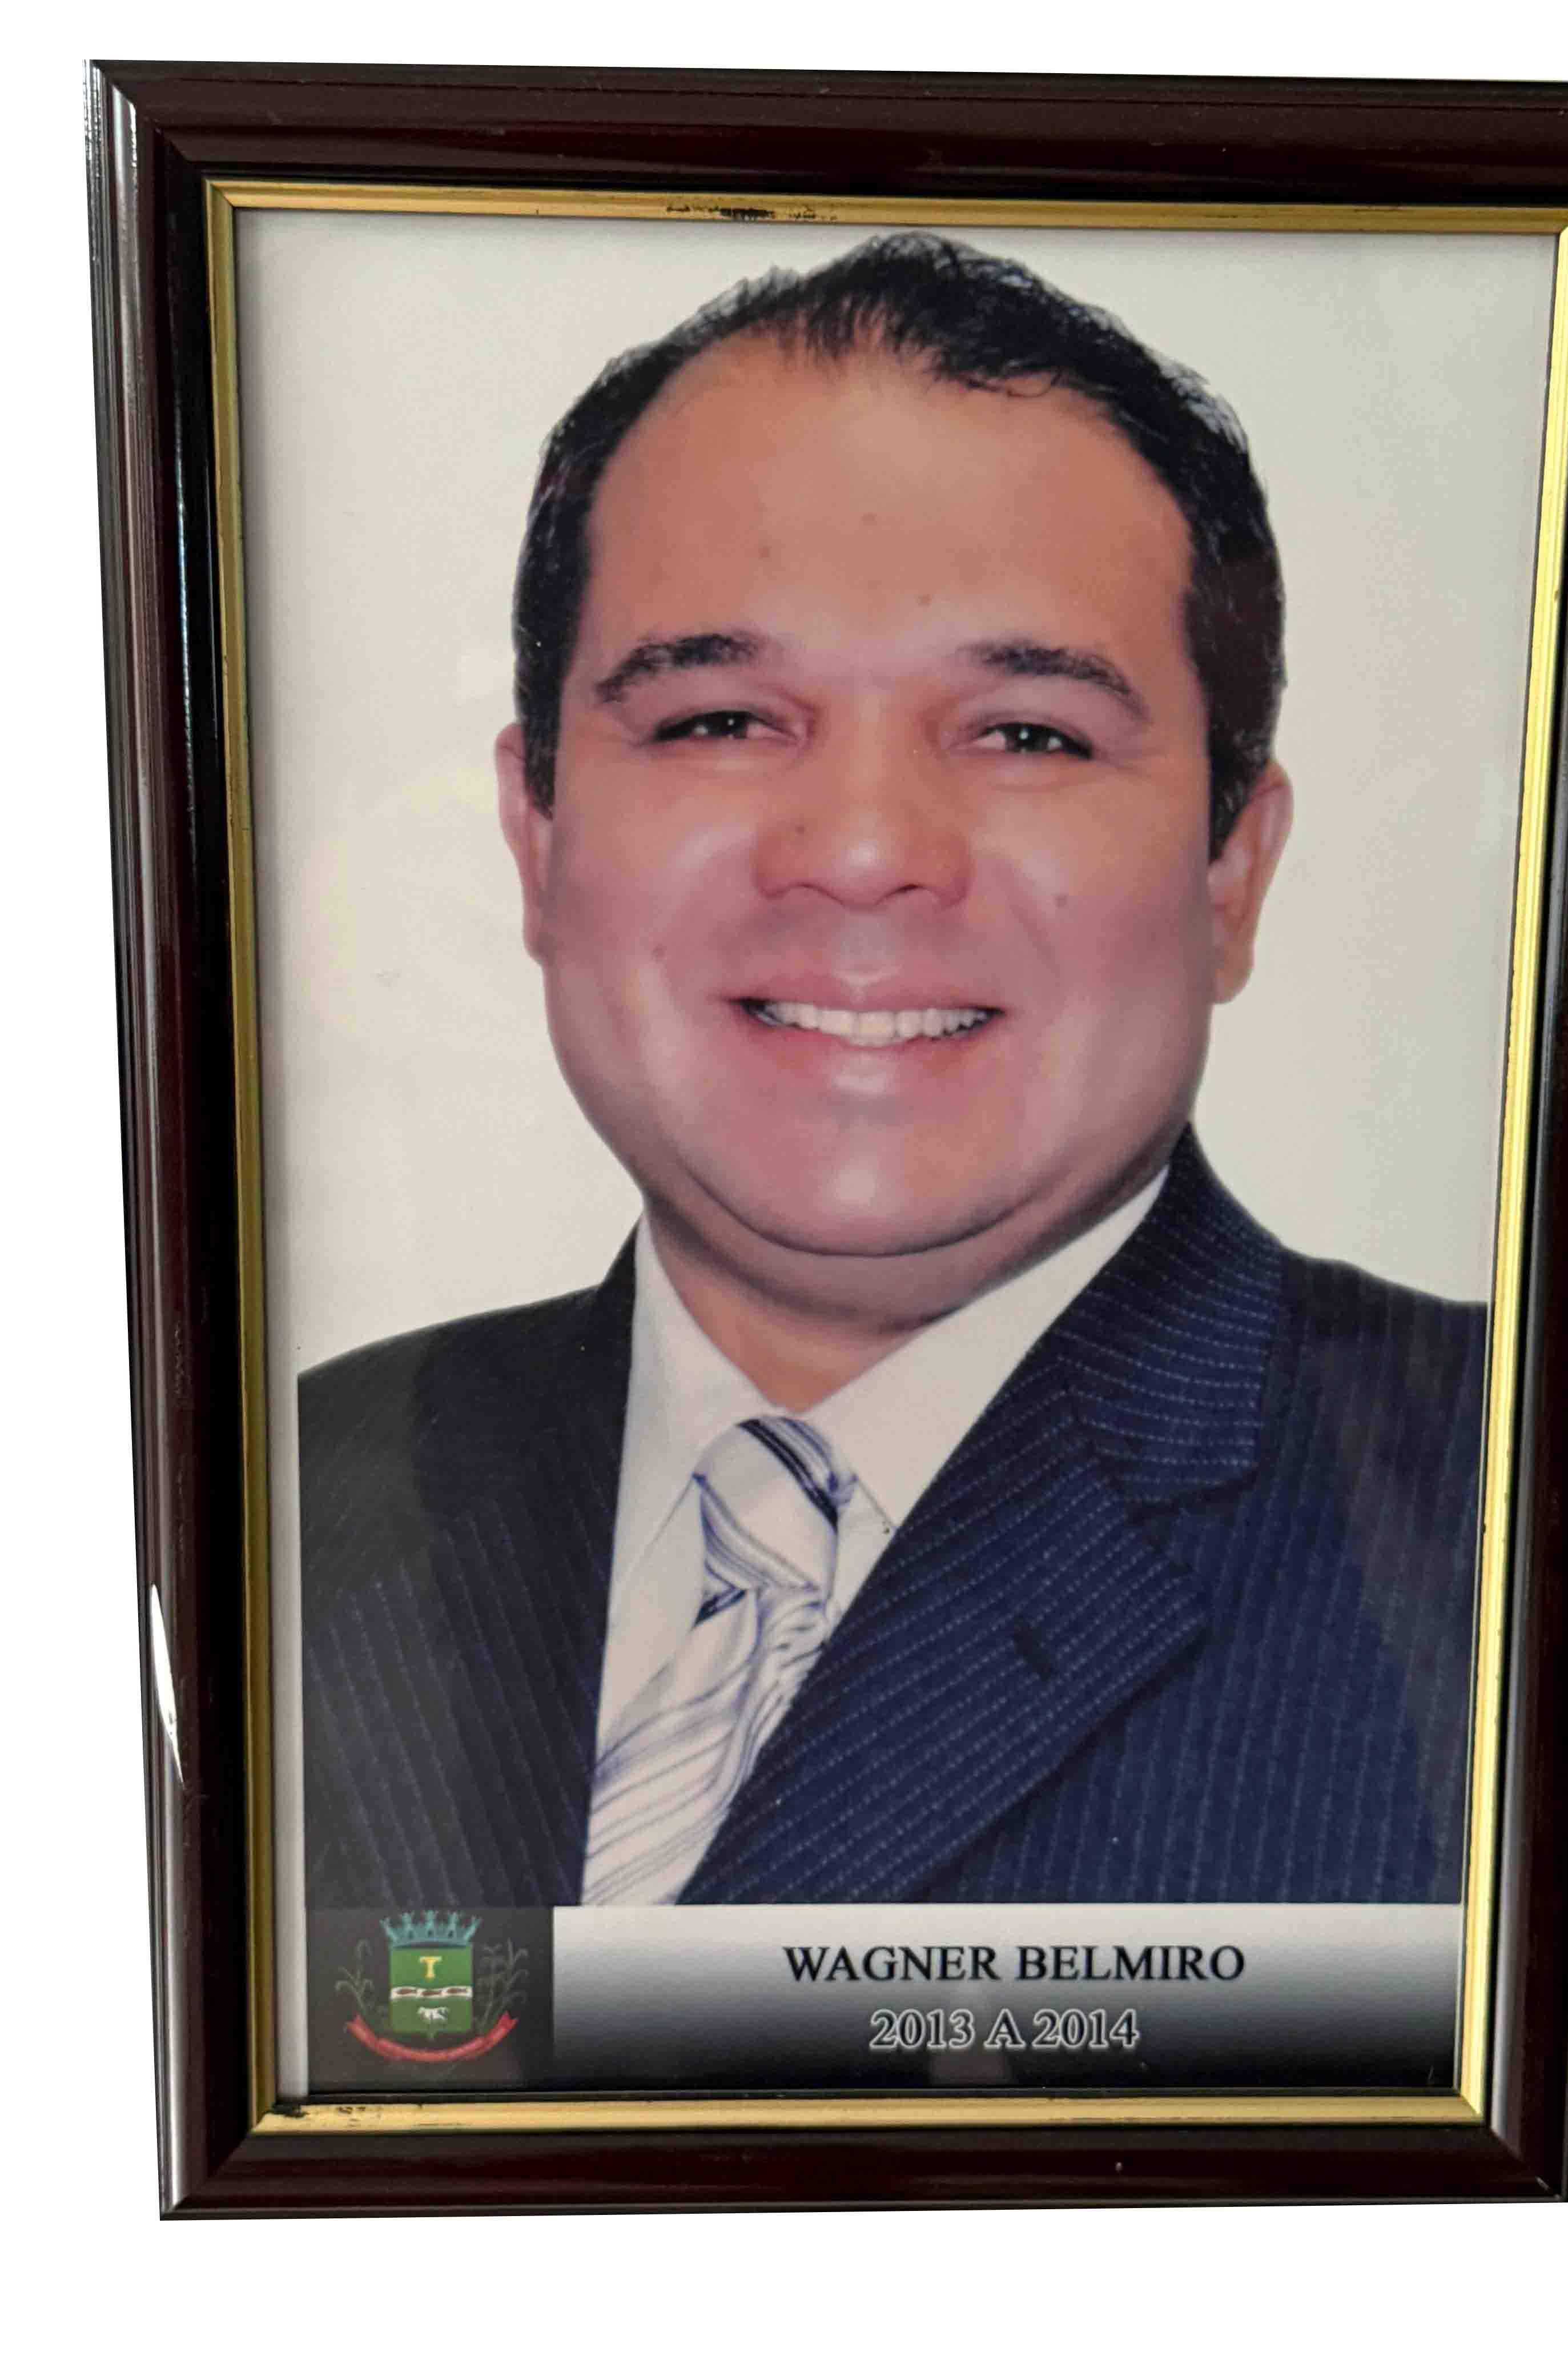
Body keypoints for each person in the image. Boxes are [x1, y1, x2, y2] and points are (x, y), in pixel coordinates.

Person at [301, 234, 1485, 1912]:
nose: (862, 852)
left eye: (1028, 734)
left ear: (1232, 872)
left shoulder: (1541, 1520)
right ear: (538, 839)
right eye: (719, 719)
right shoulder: (257, 1509)